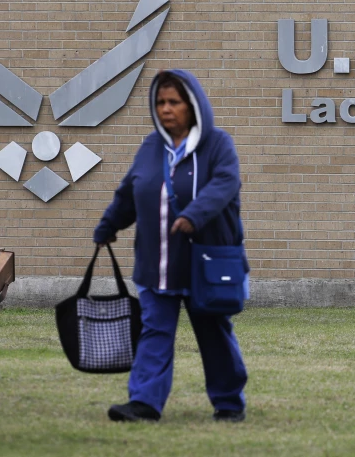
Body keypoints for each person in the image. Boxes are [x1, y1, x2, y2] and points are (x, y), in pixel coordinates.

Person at [93, 69, 248, 423]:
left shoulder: (218, 144)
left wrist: (194, 214)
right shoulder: (151, 147)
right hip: (156, 263)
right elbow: (131, 190)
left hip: (204, 264)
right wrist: (109, 224)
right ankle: (145, 403)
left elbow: (225, 183)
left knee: (215, 336)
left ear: (192, 106)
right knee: (154, 333)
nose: (165, 109)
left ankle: (229, 402)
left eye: (174, 102)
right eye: (160, 102)